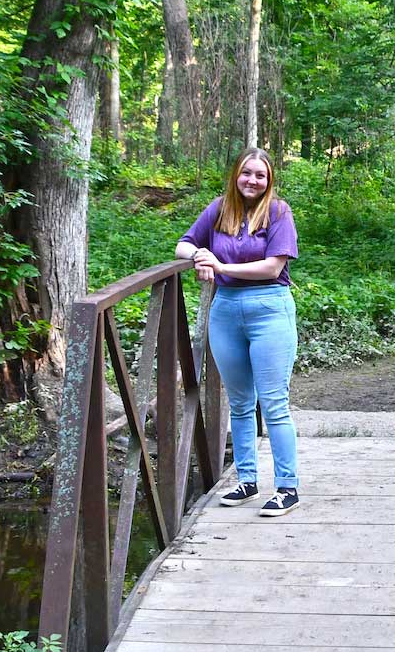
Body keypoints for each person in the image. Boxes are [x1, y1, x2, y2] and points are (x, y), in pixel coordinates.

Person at [175, 147, 301, 517]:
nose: (253, 181)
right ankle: (246, 480)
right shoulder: (219, 209)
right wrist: (199, 257)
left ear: (269, 180)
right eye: (247, 173)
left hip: (269, 309)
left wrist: (220, 263)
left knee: (274, 403)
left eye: (260, 175)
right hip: (226, 310)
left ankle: (287, 487)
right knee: (241, 401)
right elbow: (183, 243)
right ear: (236, 175)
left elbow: (272, 267)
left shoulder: (278, 212)